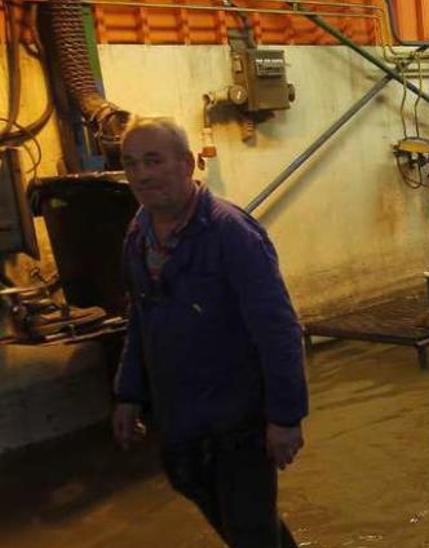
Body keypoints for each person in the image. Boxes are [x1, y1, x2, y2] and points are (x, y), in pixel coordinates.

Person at [111, 117, 307, 547]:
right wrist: (129, 394)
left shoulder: (230, 233)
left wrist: (285, 418)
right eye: (131, 163)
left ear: (186, 163)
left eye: (153, 161)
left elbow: (278, 331)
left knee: (249, 527)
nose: (141, 174)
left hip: (238, 420)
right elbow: (140, 318)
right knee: (231, 517)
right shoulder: (138, 234)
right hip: (179, 416)